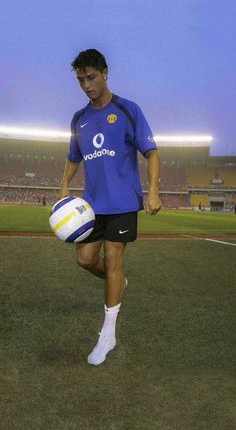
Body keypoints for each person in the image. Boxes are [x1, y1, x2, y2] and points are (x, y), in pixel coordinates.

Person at [60, 49, 161, 366]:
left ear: (105, 73)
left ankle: (108, 335)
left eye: (91, 77)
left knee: (113, 258)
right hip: (91, 206)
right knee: (85, 259)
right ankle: (118, 283)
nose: (86, 85)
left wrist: (153, 190)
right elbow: (73, 157)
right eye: (80, 80)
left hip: (122, 202)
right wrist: (63, 189)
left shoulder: (128, 110)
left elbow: (152, 152)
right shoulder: (80, 119)